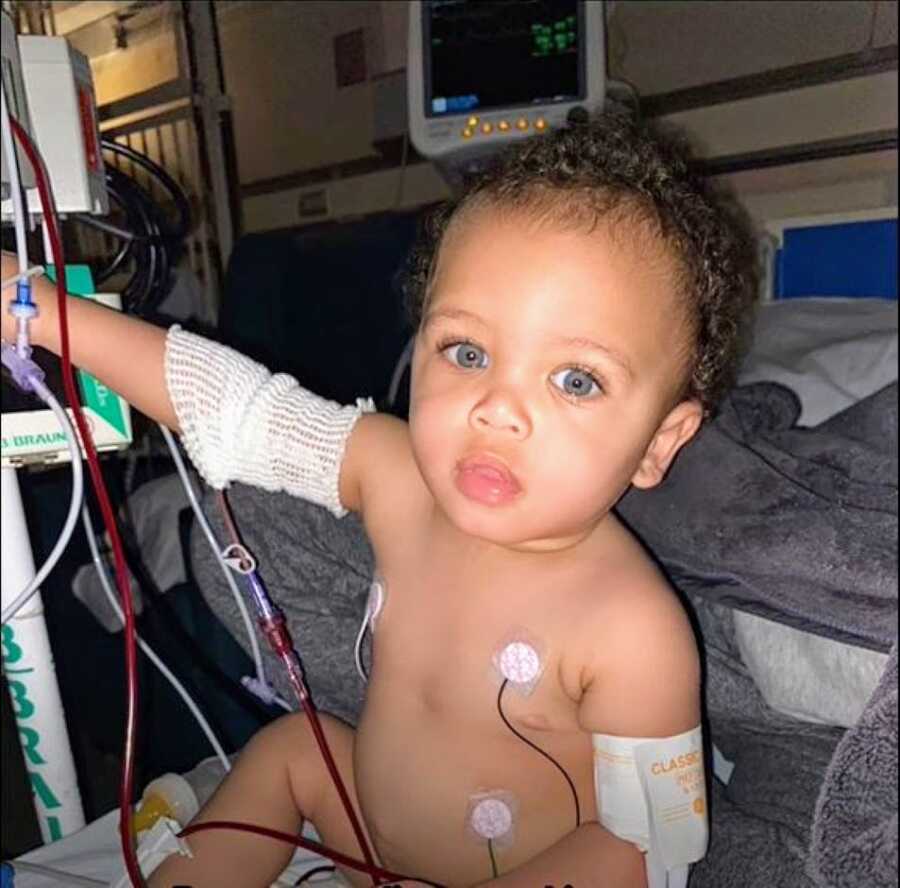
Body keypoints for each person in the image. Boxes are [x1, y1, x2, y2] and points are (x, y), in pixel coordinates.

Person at [0, 109, 756, 888]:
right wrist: (40, 310)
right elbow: (235, 406)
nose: (497, 408)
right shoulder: (397, 479)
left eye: (576, 380)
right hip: (369, 841)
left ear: (660, 442)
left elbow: (646, 848)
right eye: (467, 352)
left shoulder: (632, 630)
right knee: (298, 748)